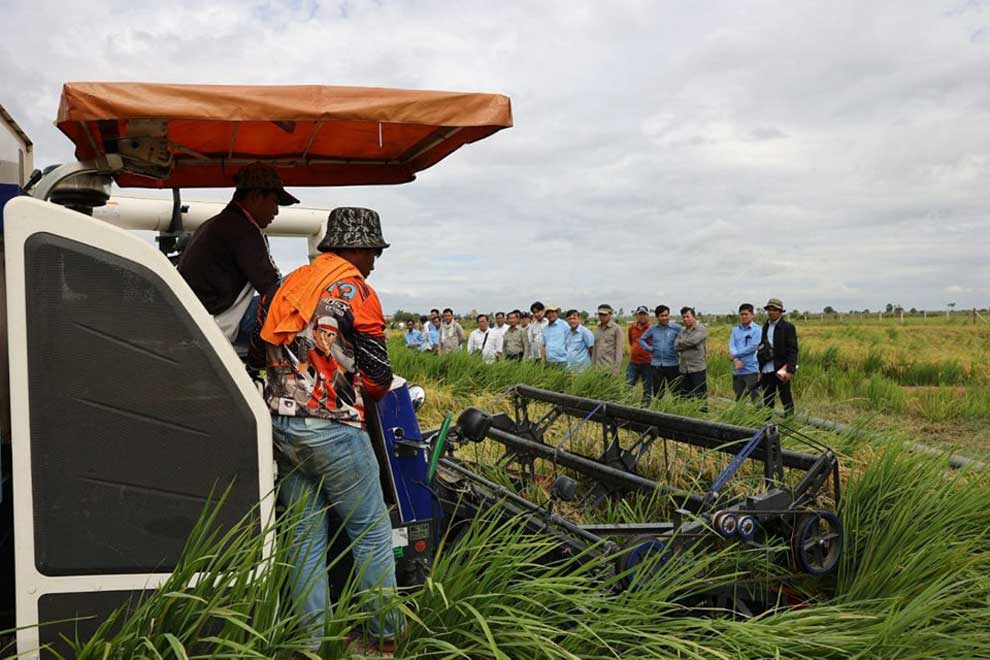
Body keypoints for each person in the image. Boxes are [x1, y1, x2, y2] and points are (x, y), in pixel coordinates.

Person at [259, 206, 400, 651]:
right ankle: (380, 640)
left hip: (283, 425)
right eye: (373, 251)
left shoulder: (290, 285)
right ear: (354, 248)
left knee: (303, 538)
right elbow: (378, 380)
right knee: (373, 534)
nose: (375, 261)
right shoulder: (355, 291)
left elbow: (258, 347)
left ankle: (309, 643)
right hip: (333, 427)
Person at [178, 161, 299, 345]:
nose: (276, 211)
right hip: (220, 323)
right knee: (305, 285)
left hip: (195, 321)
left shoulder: (214, 224)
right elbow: (273, 288)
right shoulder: (245, 230)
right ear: (256, 196)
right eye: (274, 202)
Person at [758, 297, 799, 415]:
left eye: (774, 310)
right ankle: (767, 422)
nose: (771, 312)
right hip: (767, 367)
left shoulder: (788, 327)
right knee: (768, 397)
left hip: (781, 367)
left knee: (785, 397)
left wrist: (790, 370)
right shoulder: (765, 326)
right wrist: (760, 368)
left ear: (780, 312)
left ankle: (789, 422)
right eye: (769, 309)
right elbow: (762, 347)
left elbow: (793, 350)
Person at [638, 305, 682, 398]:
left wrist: (680, 349)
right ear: (657, 317)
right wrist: (649, 349)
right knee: (658, 392)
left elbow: (686, 338)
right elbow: (642, 339)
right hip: (656, 364)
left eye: (666, 315)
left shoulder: (676, 328)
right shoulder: (653, 329)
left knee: (676, 391)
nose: (665, 318)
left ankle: (676, 411)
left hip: (673, 364)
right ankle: (658, 410)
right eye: (662, 316)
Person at [729, 304, 762, 403]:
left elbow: (752, 347)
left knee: (755, 395)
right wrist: (736, 360)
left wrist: (735, 356)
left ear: (752, 315)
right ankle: (740, 417)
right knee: (739, 395)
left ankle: (758, 416)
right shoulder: (735, 330)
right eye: (741, 314)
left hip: (751, 369)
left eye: (746, 314)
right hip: (737, 369)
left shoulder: (757, 330)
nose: (743, 316)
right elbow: (732, 346)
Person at [674, 306, 708, 401]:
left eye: (687, 316)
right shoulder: (682, 331)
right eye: (683, 317)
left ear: (694, 317)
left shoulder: (701, 329)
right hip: (684, 369)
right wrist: (687, 344)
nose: (685, 319)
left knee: (700, 395)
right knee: (684, 396)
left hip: (697, 368)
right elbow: (676, 346)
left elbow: (694, 341)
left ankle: (701, 415)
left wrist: (683, 343)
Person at [627, 305, 653, 401]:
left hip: (648, 362)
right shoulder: (632, 327)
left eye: (644, 314)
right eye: (640, 314)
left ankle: (645, 409)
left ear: (647, 316)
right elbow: (631, 341)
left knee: (647, 388)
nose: (642, 316)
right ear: (636, 316)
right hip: (633, 362)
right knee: (628, 385)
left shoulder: (652, 328)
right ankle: (626, 405)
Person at [591, 304, 623, 375]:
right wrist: (593, 367)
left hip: (609, 369)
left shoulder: (616, 329)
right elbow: (595, 350)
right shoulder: (597, 329)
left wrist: (616, 369)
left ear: (610, 314)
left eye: (604, 314)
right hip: (597, 369)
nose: (602, 317)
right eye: (600, 314)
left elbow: (619, 351)